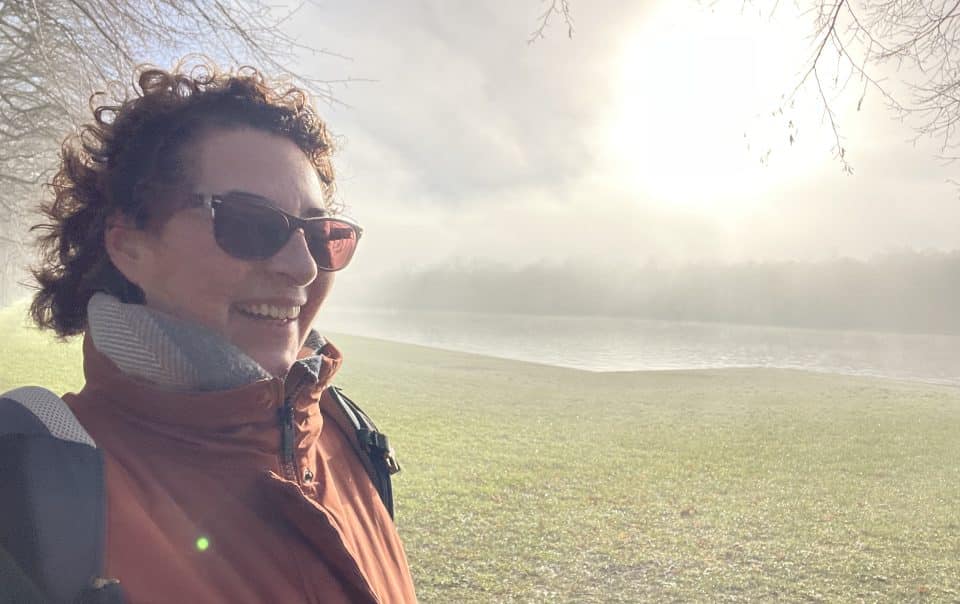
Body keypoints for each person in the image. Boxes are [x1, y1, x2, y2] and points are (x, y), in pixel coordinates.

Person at [6, 61, 417, 602]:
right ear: (130, 246)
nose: (303, 268)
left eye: (322, 235)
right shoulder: (26, 490)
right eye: (250, 223)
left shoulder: (342, 434)